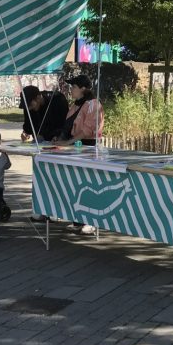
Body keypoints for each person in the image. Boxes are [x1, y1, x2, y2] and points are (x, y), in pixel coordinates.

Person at [61, 74, 104, 235]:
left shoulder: (93, 104)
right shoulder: (76, 105)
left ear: (83, 89)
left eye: (73, 87)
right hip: (76, 148)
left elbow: (87, 131)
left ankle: (91, 221)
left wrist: (68, 142)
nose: (71, 90)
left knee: (89, 184)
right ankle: (78, 219)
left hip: (88, 148)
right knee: (77, 185)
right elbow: (69, 126)